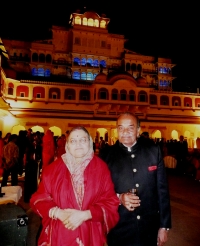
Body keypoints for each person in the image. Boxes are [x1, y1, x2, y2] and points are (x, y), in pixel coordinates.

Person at [30, 126, 119, 246]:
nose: (78, 144)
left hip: (90, 233)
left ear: (90, 142)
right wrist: (57, 213)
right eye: (73, 141)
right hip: (60, 234)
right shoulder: (52, 170)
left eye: (83, 140)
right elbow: (38, 199)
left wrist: (86, 215)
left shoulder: (101, 168)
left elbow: (110, 202)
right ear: (67, 145)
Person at [99, 112, 171, 246]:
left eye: (130, 128)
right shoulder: (106, 156)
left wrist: (164, 226)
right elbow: (100, 192)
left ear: (138, 130)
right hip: (118, 227)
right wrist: (119, 198)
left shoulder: (153, 151)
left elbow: (162, 192)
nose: (125, 132)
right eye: (121, 128)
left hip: (149, 227)